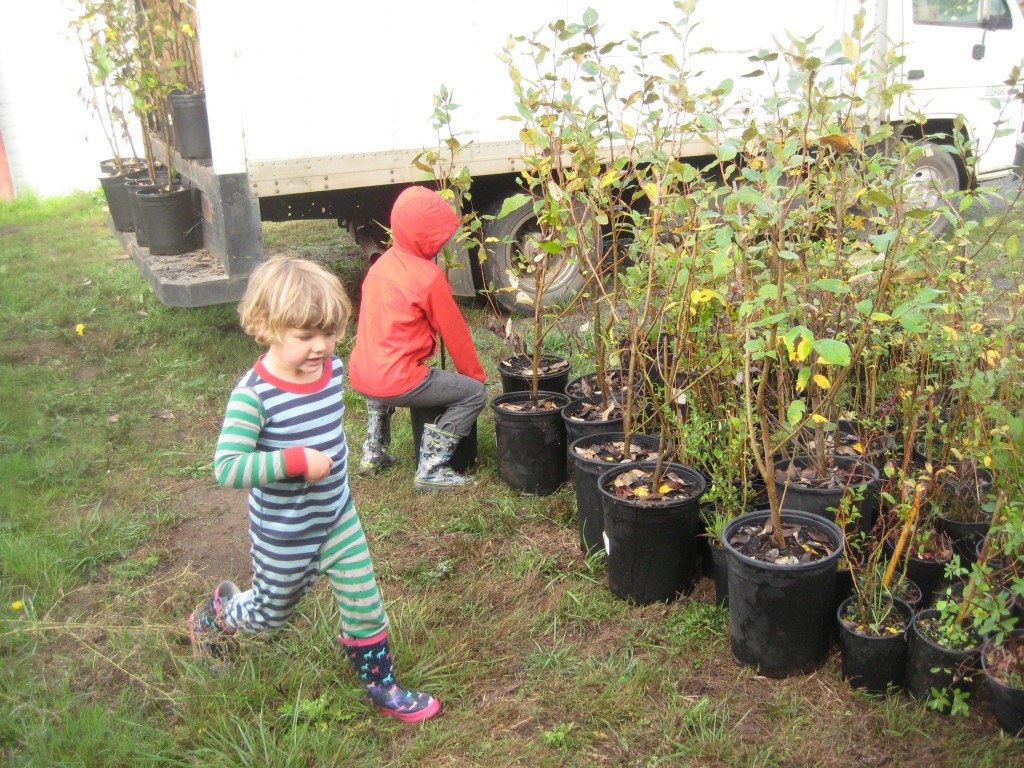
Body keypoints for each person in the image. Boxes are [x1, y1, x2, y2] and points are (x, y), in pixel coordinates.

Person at [189, 255, 440, 723]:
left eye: (329, 333)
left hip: (336, 516)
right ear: (264, 326)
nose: (321, 347)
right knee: (270, 614)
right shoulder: (254, 395)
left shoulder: (332, 371)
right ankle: (214, 617)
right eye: (305, 337)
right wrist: (296, 460)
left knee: (364, 601)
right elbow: (227, 467)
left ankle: (382, 686)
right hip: (286, 533)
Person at [348, 186, 487, 490]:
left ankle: (373, 454)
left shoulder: (381, 265)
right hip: (397, 380)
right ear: (426, 237)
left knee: (380, 383)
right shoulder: (427, 277)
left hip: (362, 372)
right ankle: (432, 468)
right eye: (438, 237)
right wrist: (474, 378)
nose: (442, 244)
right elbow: (457, 336)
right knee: (474, 394)